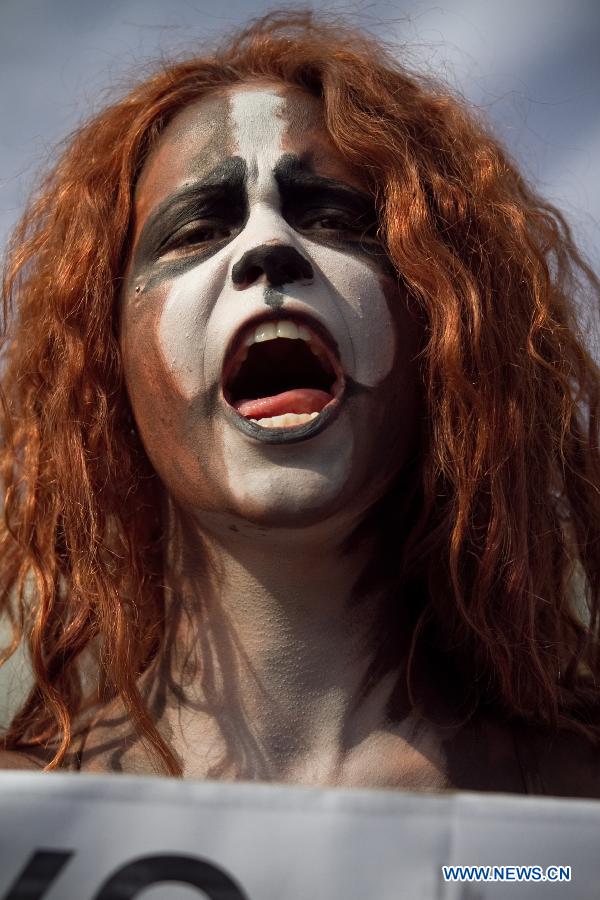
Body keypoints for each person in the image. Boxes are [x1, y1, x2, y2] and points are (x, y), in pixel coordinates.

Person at [0, 11, 599, 794]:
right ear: (109, 359)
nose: (267, 246)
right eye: (197, 229)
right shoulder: (28, 817)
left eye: (334, 217)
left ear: (444, 323)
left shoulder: (565, 817)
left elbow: (528, 875)